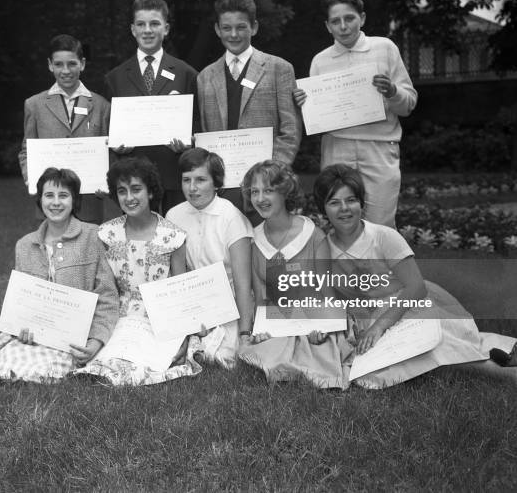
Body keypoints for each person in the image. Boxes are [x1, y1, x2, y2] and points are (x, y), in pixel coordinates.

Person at [313, 163, 517, 388]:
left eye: (351, 200)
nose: (344, 208)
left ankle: (502, 372)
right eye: (334, 202)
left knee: (435, 349)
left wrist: (379, 327)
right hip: (363, 318)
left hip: (405, 308)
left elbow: (416, 288)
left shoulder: (383, 237)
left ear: (361, 202)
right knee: (376, 368)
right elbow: (327, 298)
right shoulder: (324, 249)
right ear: (323, 209)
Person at [0, 168, 118, 383]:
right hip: (38, 337)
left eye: (63, 195)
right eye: (49, 195)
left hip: (78, 336)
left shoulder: (93, 236)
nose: (56, 203)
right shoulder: (25, 245)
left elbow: (107, 296)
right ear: (40, 200)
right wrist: (21, 329)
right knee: (6, 362)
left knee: (50, 367)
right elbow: (22, 301)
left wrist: (96, 341)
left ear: (75, 201)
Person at [294, 0, 417, 228]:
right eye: (335, 21)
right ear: (327, 26)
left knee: (381, 222)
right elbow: (317, 117)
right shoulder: (320, 60)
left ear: (362, 18)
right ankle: (343, 267)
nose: (343, 27)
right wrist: (303, 105)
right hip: (336, 147)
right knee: (341, 221)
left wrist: (392, 91)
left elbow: (408, 104)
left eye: (349, 18)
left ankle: (379, 267)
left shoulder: (385, 48)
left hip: (379, 147)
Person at [76, 157, 202, 384]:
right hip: (117, 314)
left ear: (151, 192)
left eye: (136, 190)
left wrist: (183, 335)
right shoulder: (106, 234)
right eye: (122, 191)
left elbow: (179, 293)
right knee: (111, 359)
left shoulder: (173, 236)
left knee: (146, 362)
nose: (129, 198)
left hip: (158, 317)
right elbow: (101, 288)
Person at [237, 160, 353, 387]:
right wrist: (262, 329)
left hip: (314, 317)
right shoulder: (253, 241)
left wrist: (322, 327)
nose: (260, 198)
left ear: (284, 192)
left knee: (319, 348)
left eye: (268, 190)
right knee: (268, 345)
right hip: (280, 320)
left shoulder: (313, 235)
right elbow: (261, 298)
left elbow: (326, 292)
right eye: (254, 192)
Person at [197, 0, 301, 217]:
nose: (233, 34)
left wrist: (272, 175)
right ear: (217, 29)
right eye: (226, 28)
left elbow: (290, 130)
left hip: (267, 187)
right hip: (223, 187)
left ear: (254, 27)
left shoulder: (279, 69)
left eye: (241, 27)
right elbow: (205, 133)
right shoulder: (205, 77)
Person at [104, 0, 199, 214]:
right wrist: (116, 146)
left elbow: (197, 124)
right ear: (132, 29)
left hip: (173, 177)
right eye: (141, 24)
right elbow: (109, 129)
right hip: (132, 181)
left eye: (154, 24)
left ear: (166, 29)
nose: (147, 30)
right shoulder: (115, 78)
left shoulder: (186, 74)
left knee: (175, 239)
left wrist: (188, 142)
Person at [166, 148, 254, 368]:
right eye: (186, 180)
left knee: (221, 357)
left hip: (228, 303)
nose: (192, 188)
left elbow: (244, 284)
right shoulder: (173, 215)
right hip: (191, 301)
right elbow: (176, 276)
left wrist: (245, 333)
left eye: (201, 180)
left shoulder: (230, 216)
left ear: (216, 183)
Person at [18, 34, 110, 223]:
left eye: (72, 64)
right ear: (50, 65)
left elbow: (110, 152)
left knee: (90, 252)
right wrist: (33, 180)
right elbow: (26, 152)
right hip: (51, 205)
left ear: (82, 64)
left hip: (90, 204)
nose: (65, 70)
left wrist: (107, 181)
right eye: (59, 64)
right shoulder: (34, 105)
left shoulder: (102, 106)